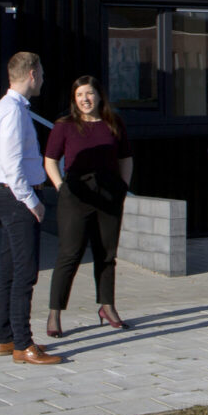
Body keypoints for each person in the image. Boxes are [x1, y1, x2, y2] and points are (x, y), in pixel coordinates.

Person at [43, 76, 135, 335]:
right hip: (76, 196)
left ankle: (107, 306)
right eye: (79, 94)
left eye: (90, 93)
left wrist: (123, 188)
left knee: (106, 254)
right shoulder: (64, 126)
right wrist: (62, 187)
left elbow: (126, 158)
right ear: (74, 99)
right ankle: (54, 314)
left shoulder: (113, 123)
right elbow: (50, 160)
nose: (85, 99)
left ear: (99, 96)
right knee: (69, 255)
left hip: (109, 195)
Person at [0, 52, 61, 366]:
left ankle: (5, 337)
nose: (43, 79)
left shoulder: (8, 108)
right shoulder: (14, 112)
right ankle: (22, 343)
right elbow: (12, 164)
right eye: (41, 73)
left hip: (9, 194)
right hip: (18, 197)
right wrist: (32, 202)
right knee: (24, 272)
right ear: (32, 74)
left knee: (8, 269)